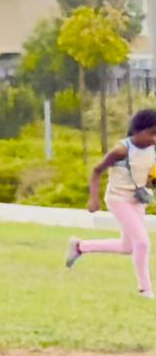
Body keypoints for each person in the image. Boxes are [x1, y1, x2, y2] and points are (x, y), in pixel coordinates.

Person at [64, 110, 154, 293]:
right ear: (137, 130)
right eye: (151, 133)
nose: (154, 138)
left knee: (128, 246)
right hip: (118, 199)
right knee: (143, 243)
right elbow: (97, 171)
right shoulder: (121, 150)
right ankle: (146, 290)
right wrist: (93, 198)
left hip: (137, 201)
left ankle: (80, 246)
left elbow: (147, 175)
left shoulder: (153, 149)